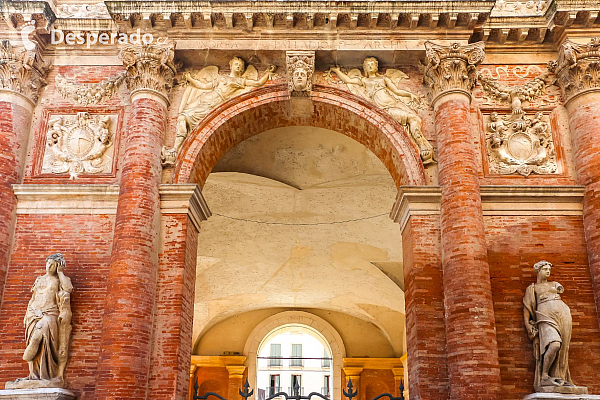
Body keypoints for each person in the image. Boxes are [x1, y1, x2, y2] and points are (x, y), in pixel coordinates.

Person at [329, 57, 435, 165]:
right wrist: (337, 71)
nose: (370, 66)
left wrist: (410, 94)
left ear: (376, 67)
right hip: (384, 109)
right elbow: (348, 80)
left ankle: (421, 145)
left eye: (372, 64)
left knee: (415, 119)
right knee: (412, 118)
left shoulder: (384, 79)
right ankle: (420, 148)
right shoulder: (364, 80)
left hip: (393, 104)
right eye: (368, 65)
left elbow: (396, 91)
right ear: (364, 68)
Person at [8, 253, 73, 388]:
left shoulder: (61, 279)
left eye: (52, 264)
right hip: (33, 313)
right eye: (47, 263)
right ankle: (35, 374)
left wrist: (60, 273)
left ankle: (45, 370)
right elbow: (33, 298)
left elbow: (68, 289)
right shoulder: (39, 279)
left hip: (49, 313)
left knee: (39, 338)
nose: (49, 266)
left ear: (58, 266)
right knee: (35, 341)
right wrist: (28, 313)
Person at [523, 260, 574, 391]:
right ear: (538, 271)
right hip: (544, 317)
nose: (547, 271)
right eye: (545, 269)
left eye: (549, 269)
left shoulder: (555, 284)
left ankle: (559, 376)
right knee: (555, 344)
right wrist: (528, 325)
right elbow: (527, 308)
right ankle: (544, 375)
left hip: (563, 315)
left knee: (563, 347)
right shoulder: (532, 288)